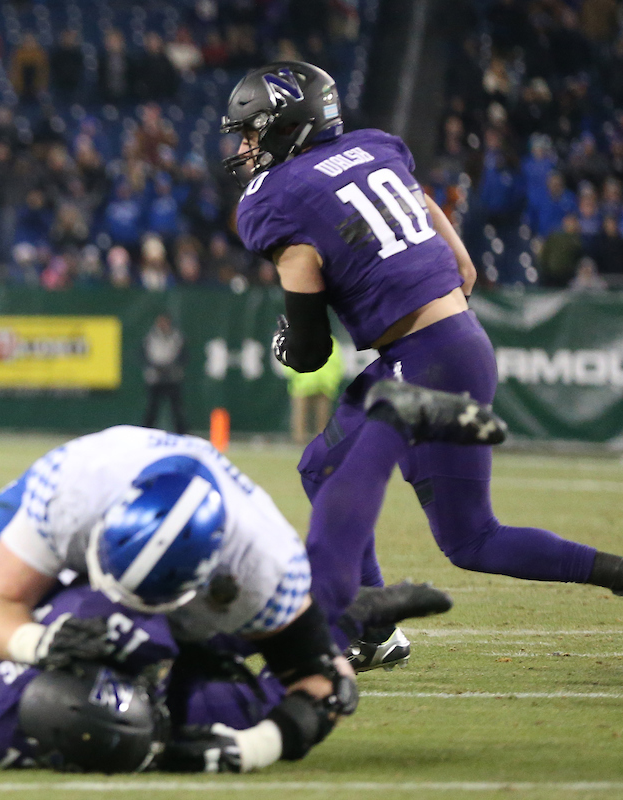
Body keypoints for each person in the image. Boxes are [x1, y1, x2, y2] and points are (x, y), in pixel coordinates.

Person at [223, 60, 623, 672]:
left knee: (469, 539)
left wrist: (288, 342)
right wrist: (457, 259)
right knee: (330, 470)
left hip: (428, 361)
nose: (246, 147)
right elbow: (433, 217)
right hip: (450, 344)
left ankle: (379, 630)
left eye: (252, 131)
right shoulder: (371, 149)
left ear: (287, 127)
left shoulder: (278, 201)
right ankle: (378, 628)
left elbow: (312, 353)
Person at [0, 409, 486, 676]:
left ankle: (355, 617)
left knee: (212, 656)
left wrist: (328, 642)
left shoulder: (261, 558)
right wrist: (35, 641)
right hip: (92, 498)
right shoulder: (78, 488)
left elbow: (306, 675)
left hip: (201, 558)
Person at [0, 579, 450, 773]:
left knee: (223, 616)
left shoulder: (102, 623)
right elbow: (302, 713)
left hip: (111, 622)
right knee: (324, 688)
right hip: (159, 705)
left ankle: (343, 613)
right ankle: (351, 627)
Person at [283, 335, 345, 446]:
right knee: (300, 417)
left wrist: (330, 382)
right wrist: (296, 378)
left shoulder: (331, 342)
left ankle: (322, 444)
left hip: (323, 387)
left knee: (322, 419)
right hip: (302, 385)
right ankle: (298, 444)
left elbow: (337, 364)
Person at [141, 313, 187, 434]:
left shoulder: (176, 336)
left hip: (172, 377)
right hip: (155, 378)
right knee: (152, 409)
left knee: (176, 409)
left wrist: (171, 367)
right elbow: (144, 354)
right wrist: (155, 367)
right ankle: (146, 433)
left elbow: (183, 355)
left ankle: (181, 434)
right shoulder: (151, 336)